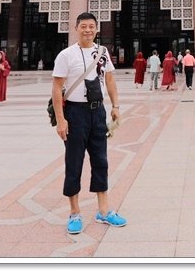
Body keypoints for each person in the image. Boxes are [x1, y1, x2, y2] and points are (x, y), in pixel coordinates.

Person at [51, 12, 126, 235]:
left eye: (91, 26)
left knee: (101, 160)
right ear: (76, 28)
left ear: (96, 29)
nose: (87, 30)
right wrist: (61, 120)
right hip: (75, 114)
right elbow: (57, 88)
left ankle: (104, 210)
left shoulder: (102, 53)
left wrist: (115, 106)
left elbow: (110, 80)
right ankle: (74, 212)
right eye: (83, 26)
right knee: (74, 162)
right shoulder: (66, 55)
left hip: (97, 112)